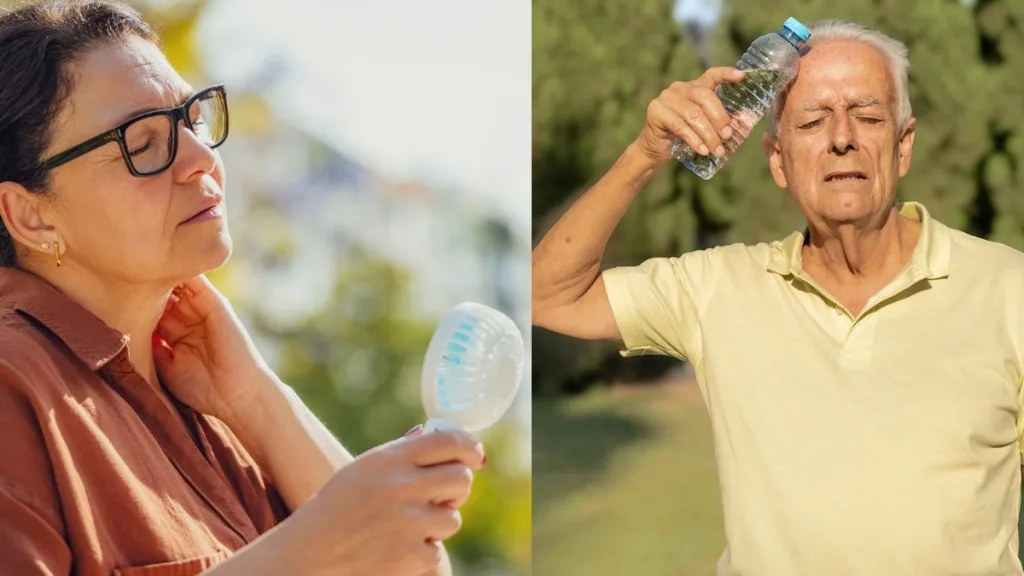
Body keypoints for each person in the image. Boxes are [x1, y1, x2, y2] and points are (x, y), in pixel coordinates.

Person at [0, 2, 484, 575]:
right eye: (142, 142)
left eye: (191, 119)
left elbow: (410, 566)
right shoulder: (17, 384)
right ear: (31, 216)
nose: (203, 158)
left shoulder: (212, 405)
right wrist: (307, 553)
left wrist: (256, 398)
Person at [533, 18, 1024, 576]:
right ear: (776, 160)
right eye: (812, 120)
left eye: (867, 116)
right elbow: (548, 294)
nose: (842, 138)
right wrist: (646, 153)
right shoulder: (716, 289)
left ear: (903, 146)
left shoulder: (1009, 289)